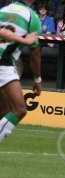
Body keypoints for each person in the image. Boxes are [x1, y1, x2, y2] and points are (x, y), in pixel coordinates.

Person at [0, 0, 42, 143]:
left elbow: (3, 32)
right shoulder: (32, 17)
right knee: (19, 109)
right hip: (3, 63)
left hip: (4, 64)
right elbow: (35, 53)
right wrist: (37, 80)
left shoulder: (3, 10)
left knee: (5, 108)